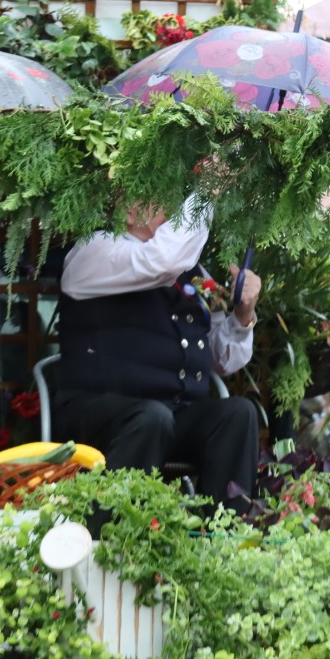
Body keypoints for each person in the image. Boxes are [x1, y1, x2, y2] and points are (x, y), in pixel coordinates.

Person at [52, 196, 261, 509]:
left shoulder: (190, 272)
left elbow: (221, 359)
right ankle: (110, 529)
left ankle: (223, 530)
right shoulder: (95, 249)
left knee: (238, 414)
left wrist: (243, 315)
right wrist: (205, 192)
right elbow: (160, 262)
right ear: (128, 210)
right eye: (165, 200)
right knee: (152, 417)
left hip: (166, 416)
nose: (176, 211)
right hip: (96, 411)